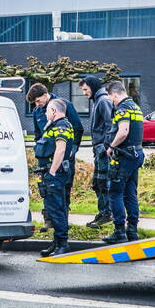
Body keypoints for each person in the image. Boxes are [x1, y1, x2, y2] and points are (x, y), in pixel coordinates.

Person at [27, 83, 83, 228]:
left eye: (38, 101)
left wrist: (72, 150)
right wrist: (38, 149)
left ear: (45, 95)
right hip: (45, 158)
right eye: (35, 103)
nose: (37, 104)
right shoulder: (37, 111)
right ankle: (49, 220)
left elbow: (77, 128)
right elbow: (38, 134)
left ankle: (63, 220)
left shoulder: (64, 105)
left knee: (64, 187)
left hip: (63, 156)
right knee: (46, 188)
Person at [103, 81, 145, 243]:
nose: (111, 101)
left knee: (115, 192)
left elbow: (123, 131)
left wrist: (111, 147)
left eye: (110, 98)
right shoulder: (135, 107)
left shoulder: (122, 109)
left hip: (124, 156)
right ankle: (132, 230)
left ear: (114, 94)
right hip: (136, 154)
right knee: (130, 192)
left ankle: (119, 231)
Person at [35, 98, 76, 257]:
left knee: (57, 208)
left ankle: (63, 244)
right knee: (56, 208)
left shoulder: (61, 126)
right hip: (53, 172)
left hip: (55, 173)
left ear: (54, 111)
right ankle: (57, 242)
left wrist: (52, 171)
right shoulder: (56, 125)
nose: (45, 113)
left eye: (47, 110)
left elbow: (60, 149)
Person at [78, 76, 114, 228]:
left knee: (103, 183)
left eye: (85, 89)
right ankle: (103, 212)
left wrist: (105, 146)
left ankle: (107, 214)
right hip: (99, 150)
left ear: (92, 86)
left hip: (103, 151)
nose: (84, 93)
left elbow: (111, 125)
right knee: (97, 183)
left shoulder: (103, 101)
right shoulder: (98, 100)